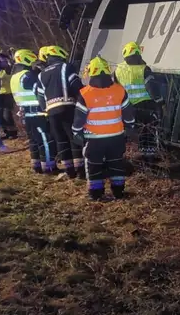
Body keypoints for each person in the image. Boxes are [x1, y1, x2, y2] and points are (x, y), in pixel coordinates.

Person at [72, 56, 134, 200]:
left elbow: (79, 118)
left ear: (91, 73)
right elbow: (128, 112)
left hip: (94, 139)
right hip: (116, 137)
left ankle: (96, 194)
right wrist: (130, 126)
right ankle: (119, 192)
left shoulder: (85, 93)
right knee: (116, 163)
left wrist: (76, 132)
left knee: (93, 164)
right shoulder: (119, 90)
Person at [36, 45, 84, 179]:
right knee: (73, 138)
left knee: (61, 140)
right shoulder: (66, 67)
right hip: (67, 107)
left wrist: (45, 109)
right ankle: (80, 170)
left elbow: (40, 96)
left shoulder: (41, 74)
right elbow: (76, 86)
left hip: (51, 112)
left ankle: (69, 171)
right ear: (60, 55)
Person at [113, 41, 163, 160]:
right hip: (145, 105)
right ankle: (149, 159)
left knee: (131, 131)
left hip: (127, 106)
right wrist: (160, 102)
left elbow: (114, 88)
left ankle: (128, 157)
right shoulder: (144, 69)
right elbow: (152, 88)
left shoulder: (117, 70)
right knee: (148, 131)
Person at [11, 49, 57, 174]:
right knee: (45, 140)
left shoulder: (15, 76)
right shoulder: (27, 75)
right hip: (37, 112)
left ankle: (36, 165)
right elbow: (39, 89)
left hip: (26, 113)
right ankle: (49, 167)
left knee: (33, 141)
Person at [0, 45, 18, 140]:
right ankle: (6, 131)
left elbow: (8, 76)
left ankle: (13, 132)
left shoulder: (6, 64)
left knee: (6, 113)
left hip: (7, 93)